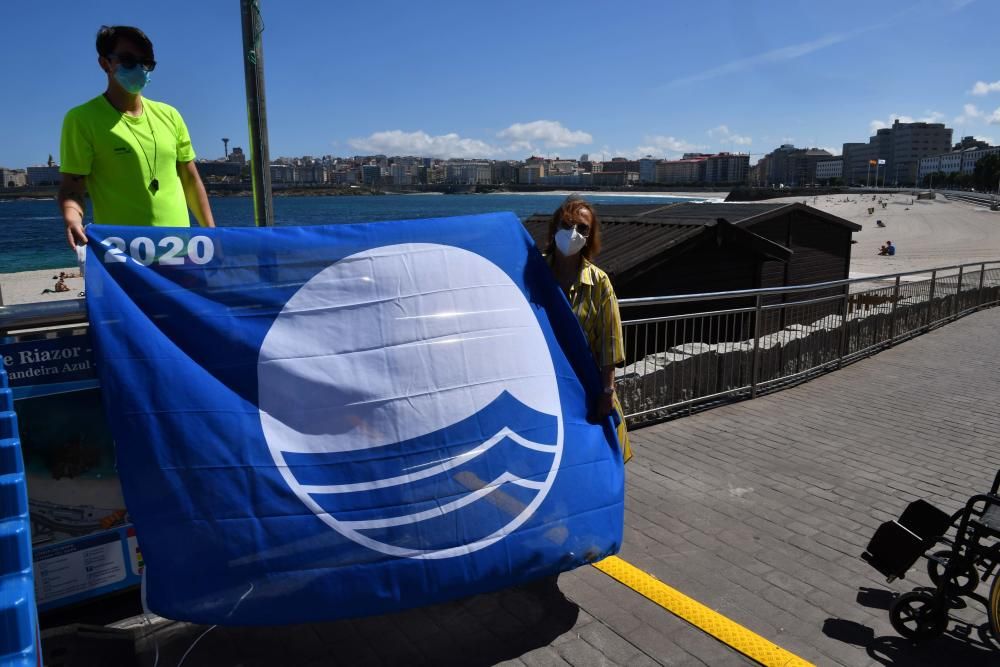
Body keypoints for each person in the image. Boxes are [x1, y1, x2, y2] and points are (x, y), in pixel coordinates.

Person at [58, 25, 215, 251]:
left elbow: (190, 180)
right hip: (123, 256)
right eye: (128, 60)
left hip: (179, 250)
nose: (139, 69)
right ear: (105, 63)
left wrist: (212, 233)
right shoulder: (82, 119)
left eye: (146, 63)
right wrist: (72, 218)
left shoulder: (171, 115)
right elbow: (72, 186)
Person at [545, 197, 632, 462]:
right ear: (554, 227)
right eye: (567, 224)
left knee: (591, 457)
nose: (573, 233)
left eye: (583, 228)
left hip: (586, 388)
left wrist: (607, 393)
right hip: (545, 388)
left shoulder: (599, 282)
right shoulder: (534, 274)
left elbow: (610, 340)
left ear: (590, 236)